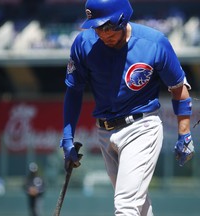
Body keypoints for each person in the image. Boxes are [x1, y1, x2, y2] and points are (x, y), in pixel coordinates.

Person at [59, 0, 194, 215]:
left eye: (107, 26)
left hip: (142, 126)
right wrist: (67, 139)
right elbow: (74, 91)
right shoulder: (83, 43)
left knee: (126, 204)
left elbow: (178, 88)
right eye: (97, 27)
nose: (103, 33)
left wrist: (184, 133)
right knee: (138, 206)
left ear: (122, 18)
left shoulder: (153, 42)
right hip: (104, 132)